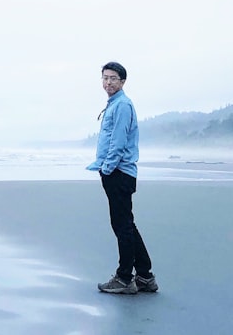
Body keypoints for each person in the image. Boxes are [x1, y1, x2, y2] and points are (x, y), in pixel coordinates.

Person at [86, 61, 158, 295]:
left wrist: (107, 169)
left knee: (122, 225)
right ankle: (145, 276)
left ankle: (125, 278)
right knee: (126, 224)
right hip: (117, 171)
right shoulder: (115, 104)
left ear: (123, 81)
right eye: (105, 78)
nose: (108, 82)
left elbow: (118, 141)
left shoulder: (123, 105)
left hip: (119, 172)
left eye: (113, 78)